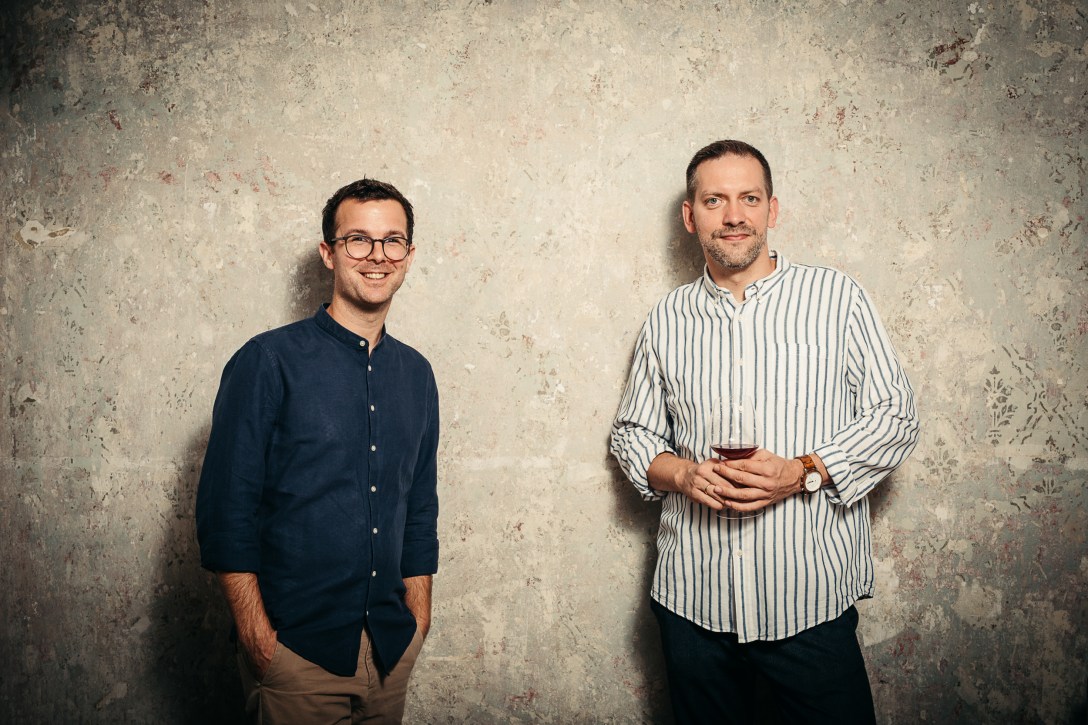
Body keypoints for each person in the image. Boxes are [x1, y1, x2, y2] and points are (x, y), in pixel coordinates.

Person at [610, 140, 919, 723]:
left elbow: (895, 415)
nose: (734, 216)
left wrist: (802, 472)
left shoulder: (837, 298)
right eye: (715, 200)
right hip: (693, 602)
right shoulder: (667, 318)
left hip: (808, 602)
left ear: (772, 209)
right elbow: (632, 433)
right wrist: (682, 474)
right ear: (690, 216)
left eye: (749, 198)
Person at [196, 178, 439, 724]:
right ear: (329, 252)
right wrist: (260, 642)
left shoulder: (417, 374)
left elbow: (420, 507)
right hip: (297, 656)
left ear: (409, 255)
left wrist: (417, 620)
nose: (377, 255)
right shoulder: (267, 362)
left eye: (392, 241)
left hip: (390, 651)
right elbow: (225, 514)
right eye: (358, 239)